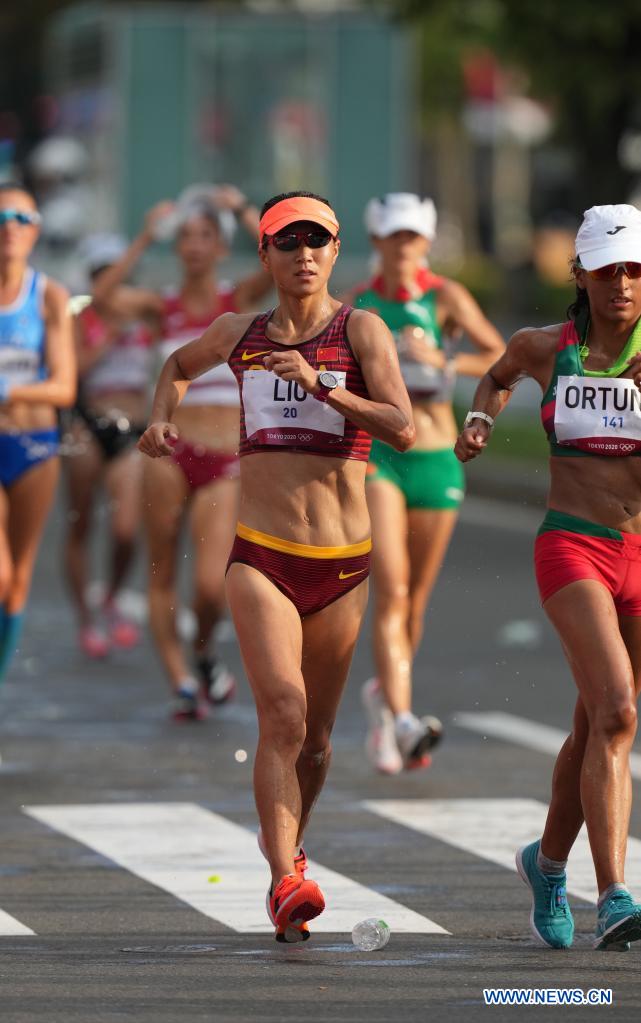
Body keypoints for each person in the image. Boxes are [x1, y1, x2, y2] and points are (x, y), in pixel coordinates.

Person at [139, 190, 415, 941]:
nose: (303, 255)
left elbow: (401, 426)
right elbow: (177, 363)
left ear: (334, 250)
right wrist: (160, 417)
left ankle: (288, 847)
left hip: (342, 565)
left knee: (316, 740)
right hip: (261, 555)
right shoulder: (240, 333)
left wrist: (323, 383)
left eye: (316, 241)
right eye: (286, 242)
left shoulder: (360, 330)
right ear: (263, 254)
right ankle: (285, 880)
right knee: (283, 712)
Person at [455, 203, 641, 951]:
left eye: (634, 270)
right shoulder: (544, 347)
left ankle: (548, 863)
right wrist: (479, 420)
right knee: (618, 710)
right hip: (573, 545)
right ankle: (616, 896)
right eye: (607, 270)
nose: (622, 284)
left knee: (594, 723)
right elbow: (494, 378)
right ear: (580, 275)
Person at [93, 185, 271, 719]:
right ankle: (180, 681)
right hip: (170, 451)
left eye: (205, 236)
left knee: (210, 588)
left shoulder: (236, 301)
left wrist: (243, 211)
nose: (194, 245)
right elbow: (103, 297)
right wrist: (146, 235)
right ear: (178, 247)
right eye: (186, 237)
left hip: (225, 457)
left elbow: (278, 260)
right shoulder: (160, 307)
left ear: (221, 246)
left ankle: (203, 653)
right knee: (162, 570)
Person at [349, 193, 505, 773]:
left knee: (415, 601)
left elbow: (499, 355)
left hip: (438, 457)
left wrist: (442, 358)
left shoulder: (446, 297)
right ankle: (403, 720)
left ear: (427, 241)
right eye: (394, 236)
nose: (404, 246)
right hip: (381, 458)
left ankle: (386, 700)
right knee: (391, 591)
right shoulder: (358, 304)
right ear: (376, 241)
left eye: (413, 236)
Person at [0, 183, 75, 686]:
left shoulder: (49, 296)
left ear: (36, 230)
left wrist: (10, 392)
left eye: (22, 219)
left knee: (18, 581)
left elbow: (64, 387)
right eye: (2, 218)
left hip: (34, 447)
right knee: (0, 575)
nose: (11, 228)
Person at [64, 234, 152, 657]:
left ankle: (112, 596)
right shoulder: (81, 316)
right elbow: (72, 369)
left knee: (126, 529)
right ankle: (86, 620)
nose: (110, 281)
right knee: (81, 524)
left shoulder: (145, 312)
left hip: (131, 427)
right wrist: (107, 337)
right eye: (101, 273)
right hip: (88, 424)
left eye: (116, 272)